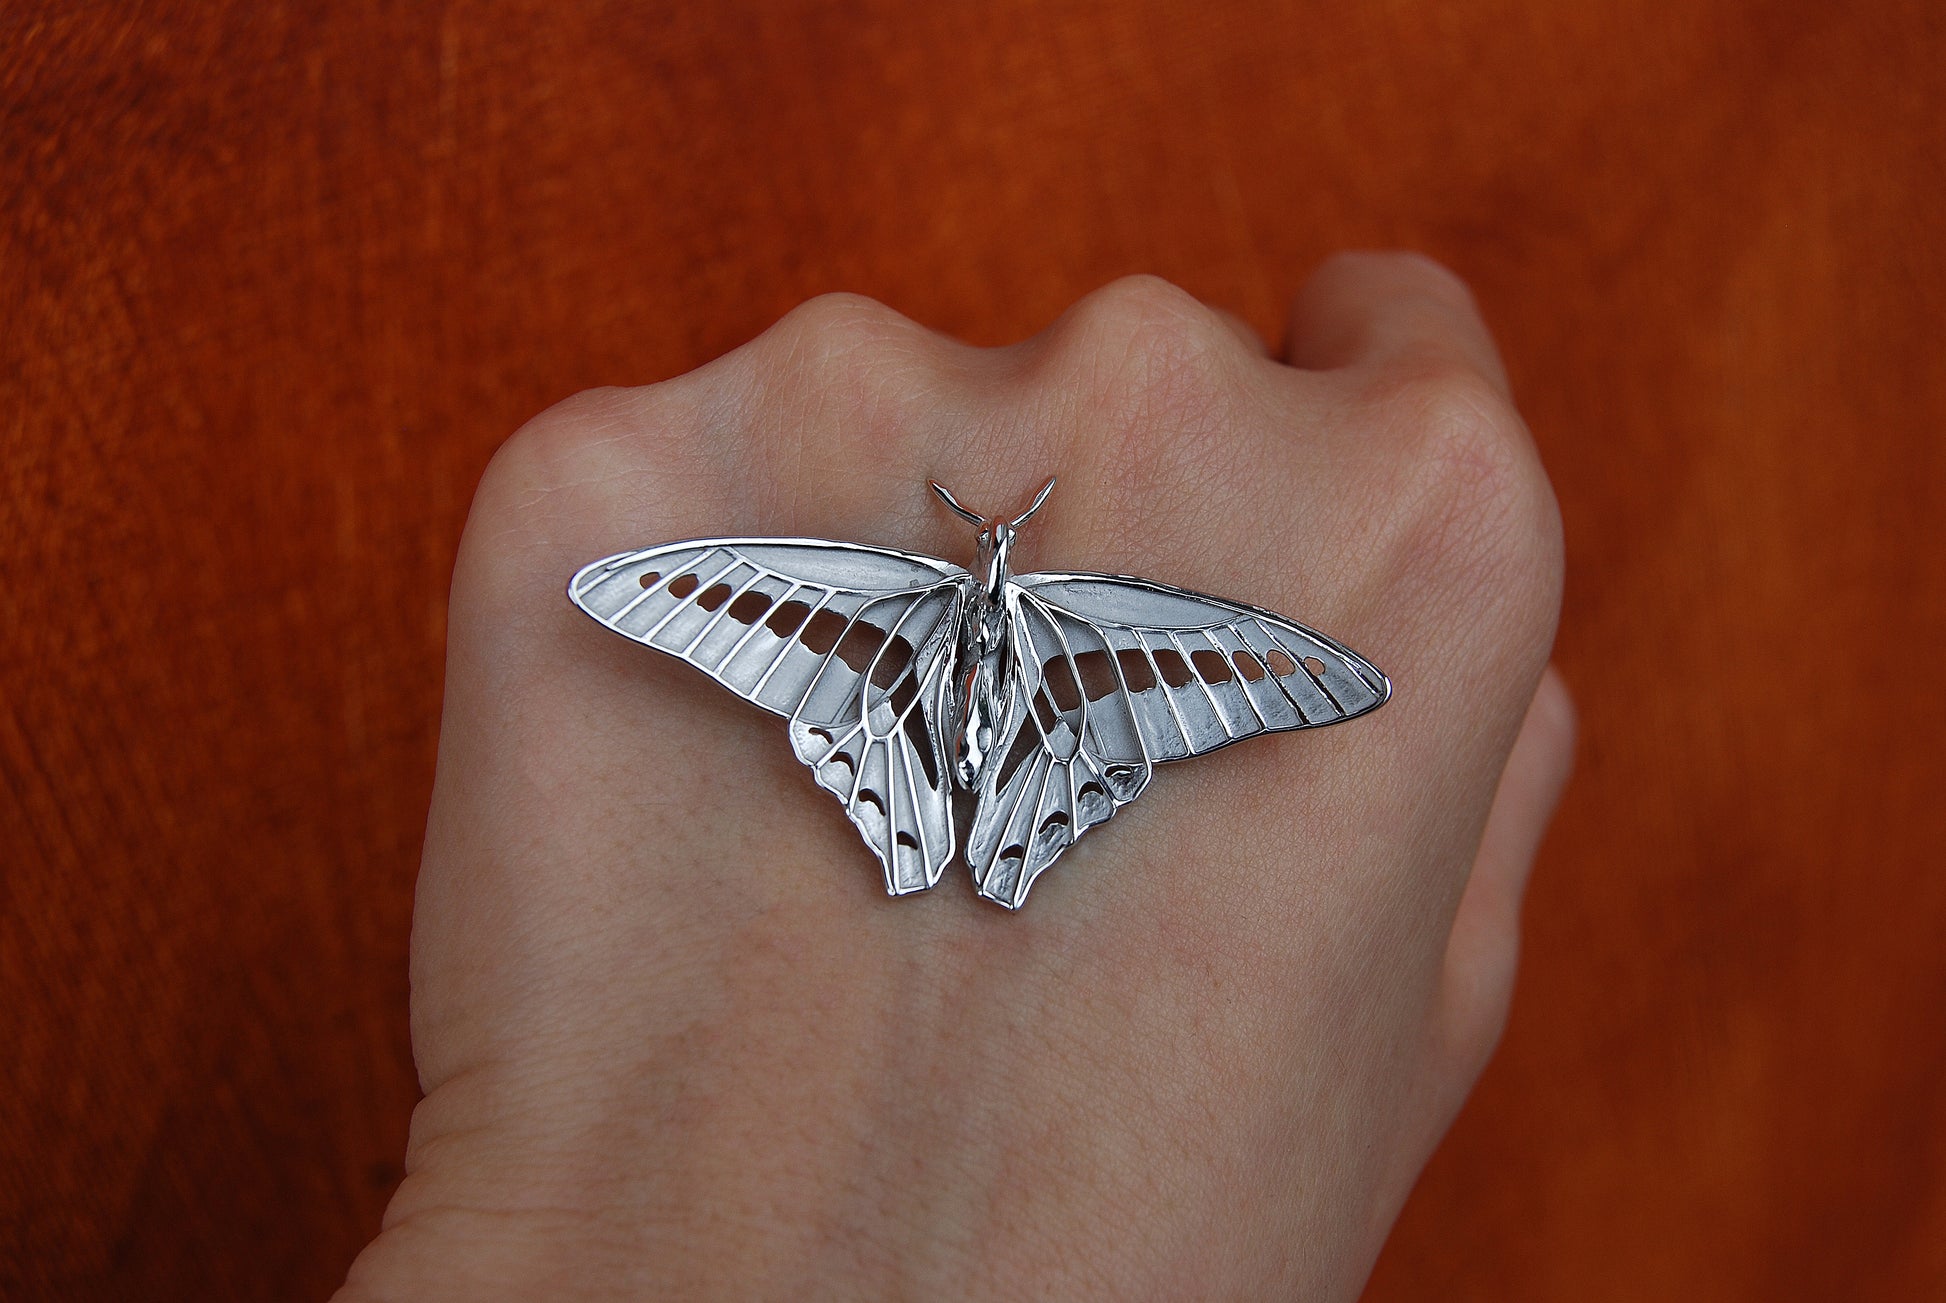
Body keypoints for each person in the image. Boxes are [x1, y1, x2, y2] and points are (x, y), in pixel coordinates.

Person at [335, 254, 1574, 1301]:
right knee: (973, 746)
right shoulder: (893, 598)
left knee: (1019, 749)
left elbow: (1258, 665)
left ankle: (952, 819)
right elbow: (685, 588)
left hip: (1006, 717)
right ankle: (947, 821)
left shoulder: (1125, 630)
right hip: (967, 709)